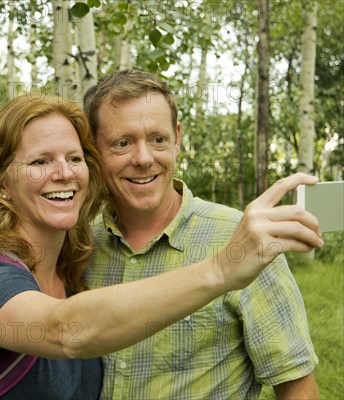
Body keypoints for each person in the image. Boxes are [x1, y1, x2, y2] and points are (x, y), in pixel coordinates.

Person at [0, 94, 322, 399]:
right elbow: (66, 330)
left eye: (73, 158)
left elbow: (295, 377)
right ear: (1, 183)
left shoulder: (73, 264)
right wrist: (220, 271)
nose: (62, 174)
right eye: (39, 162)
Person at [83, 69, 320, 399]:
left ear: (177, 138)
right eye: (122, 143)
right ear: (93, 149)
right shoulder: (78, 243)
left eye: (158, 139)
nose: (143, 158)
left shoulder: (243, 241)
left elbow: (296, 384)